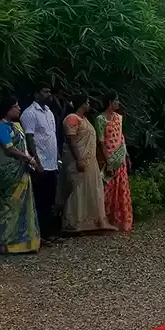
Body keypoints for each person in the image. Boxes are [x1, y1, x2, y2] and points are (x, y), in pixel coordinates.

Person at [0, 97, 41, 254]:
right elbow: (9, 148)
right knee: (10, 206)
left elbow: (22, 147)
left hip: (21, 170)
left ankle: (24, 241)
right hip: (9, 171)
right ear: (7, 109)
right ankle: (5, 242)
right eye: (15, 106)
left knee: (24, 205)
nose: (19, 109)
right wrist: (29, 159)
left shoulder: (16, 126)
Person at [60, 95, 116, 233]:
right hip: (76, 160)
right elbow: (72, 141)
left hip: (90, 161)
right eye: (88, 102)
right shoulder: (72, 118)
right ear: (82, 104)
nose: (89, 104)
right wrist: (79, 159)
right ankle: (74, 223)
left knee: (93, 189)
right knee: (77, 190)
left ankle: (94, 221)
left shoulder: (85, 120)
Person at [21, 85, 61, 242]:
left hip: (52, 163)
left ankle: (50, 232)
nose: (49, 94)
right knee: (40, 200)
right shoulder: (30, 113)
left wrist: (57, 158)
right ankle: (39, 234)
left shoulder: (49, 112)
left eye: (50, 92)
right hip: (40, 163)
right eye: (45, 92)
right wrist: (36, 161)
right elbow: (30, 138)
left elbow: (52, 136)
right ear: (36, 94)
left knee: (50, 199)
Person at [95, 92, 133, 232]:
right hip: (108, 159)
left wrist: (126, 156)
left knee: (121, 189)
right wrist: (108, 161)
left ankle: (121, 220)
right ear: (110, 102)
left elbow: (121, 138)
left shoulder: (118, 118)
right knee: (107, 189)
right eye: (116, 100)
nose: (118, 103)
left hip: (120, 157)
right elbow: (101, 142)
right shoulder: (100, 119)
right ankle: (105, 220)